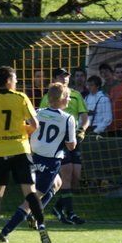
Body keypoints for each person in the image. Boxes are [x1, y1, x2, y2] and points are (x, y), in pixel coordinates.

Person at [0, 83, 77, 241]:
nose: (69, 99)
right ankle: (4, 233)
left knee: (57, 183)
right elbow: (71, 146)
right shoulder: (68, 119)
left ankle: (33, 214)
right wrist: (77, 135)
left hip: (31, 158)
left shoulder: (38, 112)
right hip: (50, 163)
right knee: (30, 201)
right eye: (68, 96)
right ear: (61, 98)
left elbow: (28, 130)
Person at [0, 66, 48, 243]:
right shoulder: (21, 97)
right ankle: (41, 226)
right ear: (9, 81)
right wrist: (24, 131)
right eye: (15, 79)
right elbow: (35, 124)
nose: (17, 82)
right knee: (30, 192)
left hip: (0, 152)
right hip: (20, 150)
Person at [41, 68, 89, 225]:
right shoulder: (48, 96)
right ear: (55, 78)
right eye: (62, 76)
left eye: (67, 76)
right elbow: (42, 117)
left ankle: (58, 207)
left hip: (73, 138)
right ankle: (70, 213)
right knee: (67, 175)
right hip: (58, 141)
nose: (65, 78)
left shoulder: (76, 95)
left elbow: (84, 116)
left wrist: (82, 130)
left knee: (76, 177)